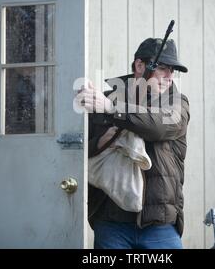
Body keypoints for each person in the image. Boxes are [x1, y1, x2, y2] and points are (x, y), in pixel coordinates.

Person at [78, 38, 190, 249]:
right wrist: (99, 142)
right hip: (111, 221)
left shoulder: (177, 102)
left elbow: (157, 127)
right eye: (163, 68)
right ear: (139, 65)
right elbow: (80, 151)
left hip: (160, 223)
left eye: (172, 70)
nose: (169, 76)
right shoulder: (104, 99)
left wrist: (113, 109)